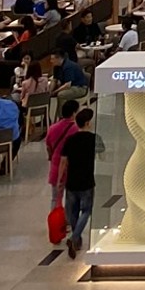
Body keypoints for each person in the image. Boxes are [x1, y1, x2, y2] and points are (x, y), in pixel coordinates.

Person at [58, 108, 98, 259]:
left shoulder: (70, 140)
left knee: (72, 212)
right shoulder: (94, 139)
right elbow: (104, 155)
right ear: (88, 123)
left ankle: (77, 239)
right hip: (87, 180)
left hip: (71, 181)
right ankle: (74, 237)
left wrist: (59, 180)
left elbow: (63, 161)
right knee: (86, 210)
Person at [44, 97, 81, 201]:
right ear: (74, 113)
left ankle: (55, 216)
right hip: (72, 168)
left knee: (55, 199)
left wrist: (51, 156)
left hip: (56, 165)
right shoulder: (76, 129)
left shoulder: (52, 128)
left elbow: (48, 146)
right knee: (71, 200)